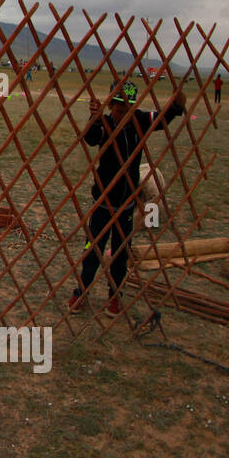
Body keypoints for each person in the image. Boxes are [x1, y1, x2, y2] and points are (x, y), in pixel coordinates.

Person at [68, 79, 187, 318]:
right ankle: (81, 291)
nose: (123, 110)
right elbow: (91, 138)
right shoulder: (105, 123)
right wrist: (94, 117)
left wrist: (176, 106)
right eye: (119, 106)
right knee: (93, 248)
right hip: (102, 202)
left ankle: (115, 296)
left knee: (121, 253)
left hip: (126, 205)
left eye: (128, 106)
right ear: (111, 104)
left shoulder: (139, 121)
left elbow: (161, 119)